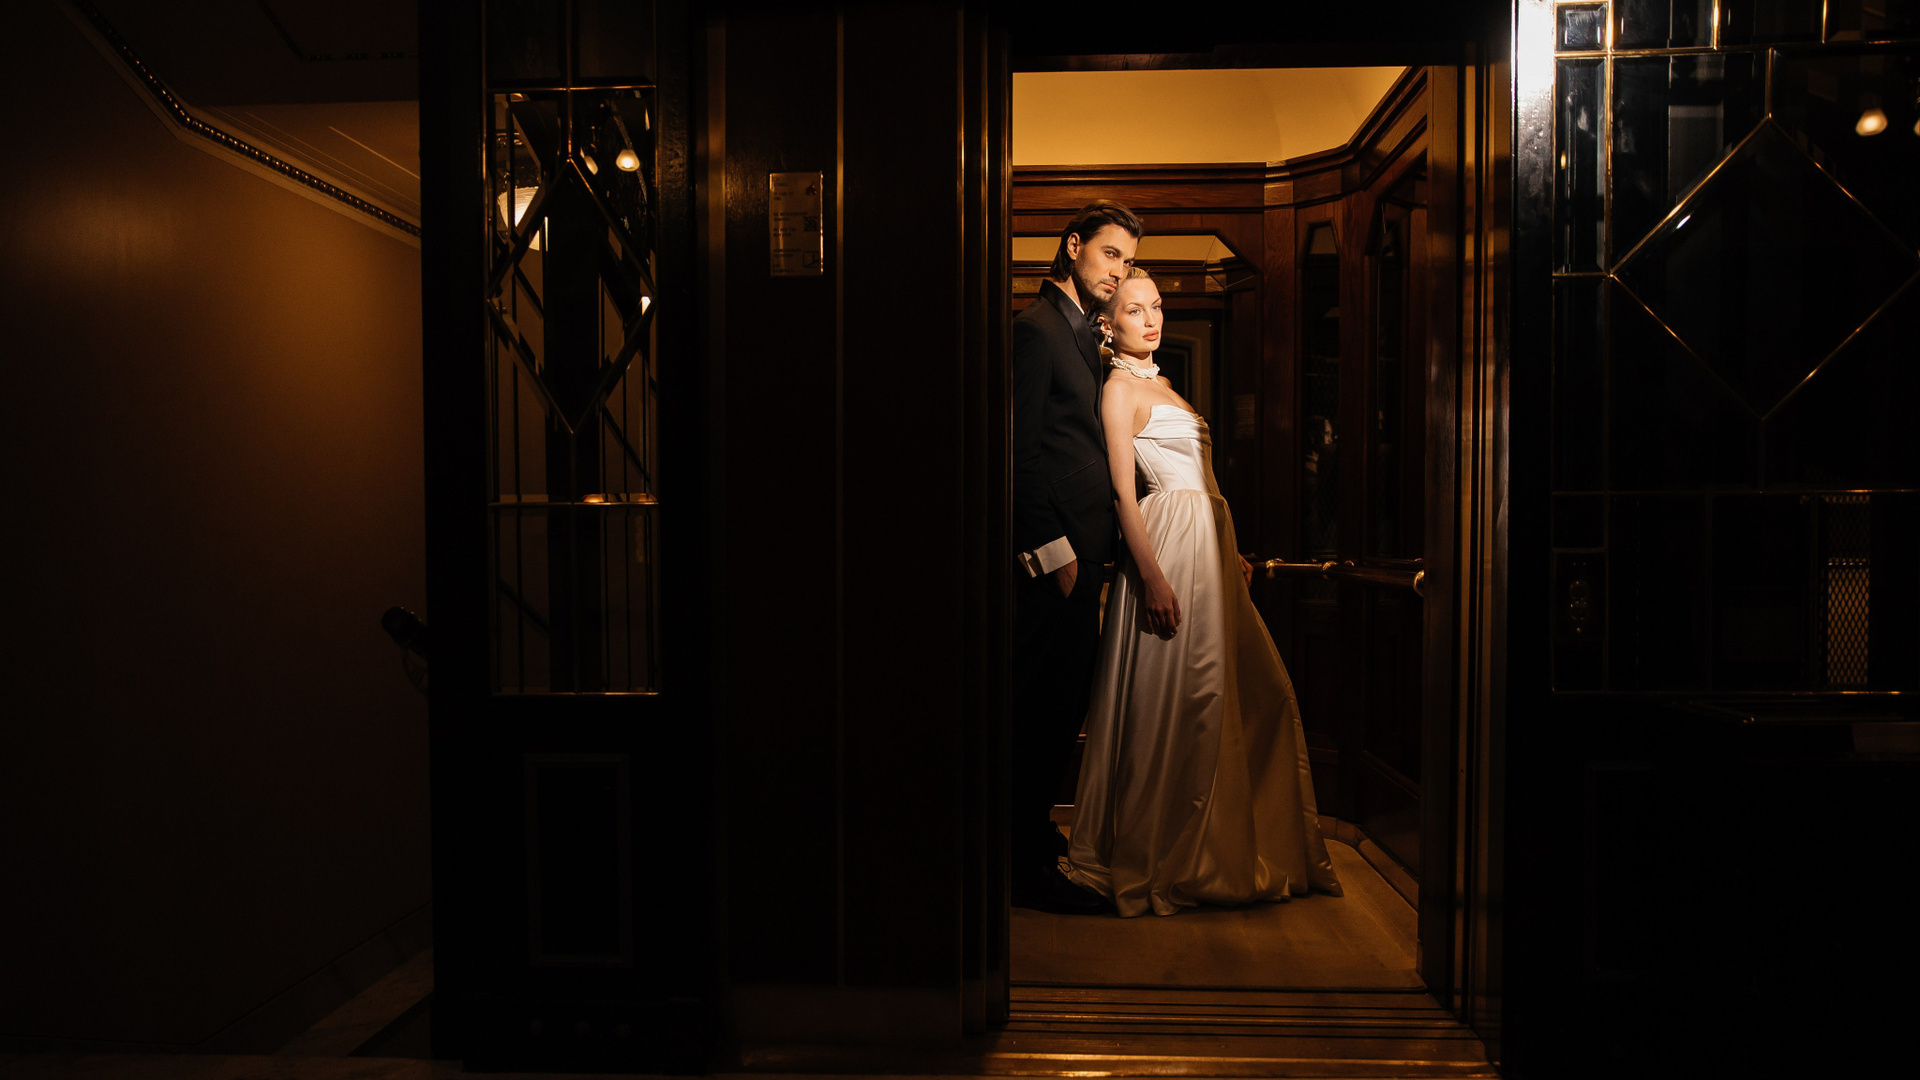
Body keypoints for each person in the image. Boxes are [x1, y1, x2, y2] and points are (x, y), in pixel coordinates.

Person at [1066, 269, 1341, 917]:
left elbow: (1202, 483)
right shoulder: (1117, 391)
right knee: (1185, 697)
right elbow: (1123, 494)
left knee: (1250, 692)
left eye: (1157, 307)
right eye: (1135, 310)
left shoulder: (1163, 386)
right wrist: (1153, 576)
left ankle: (1229, 841)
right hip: (1167, 548)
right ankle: (1171, 851)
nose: (1151, 319)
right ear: (1108, 324)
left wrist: (1228, 548)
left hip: (1205, 546)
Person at [1011, 200, 1142, 913]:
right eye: (1110, 253)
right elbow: (1019, 456)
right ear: (1072, 246)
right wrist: (1055, 556)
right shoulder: (1035, 331)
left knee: (1059, 714)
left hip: (1087, 557)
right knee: (1039, 716)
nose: (1118, 270)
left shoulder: (1081, 334)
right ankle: (1022, 869)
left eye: (1127, 260)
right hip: (1055, 565)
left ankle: (1032, 843)